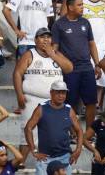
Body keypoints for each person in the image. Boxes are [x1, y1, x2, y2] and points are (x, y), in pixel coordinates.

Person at [12, 28, 72, 160]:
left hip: (53, 102)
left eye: (48, 37)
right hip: (32, 98)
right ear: (35, 40)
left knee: (52, 132)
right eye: (42, 37)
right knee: (28, 131)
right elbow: (17, 73)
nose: (46, 40)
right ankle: (20, 161)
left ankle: (49, 160)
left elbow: (69, 68)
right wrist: (19, 94)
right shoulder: (30, 54)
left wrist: (53, 54)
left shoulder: (56, 53)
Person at [51, 0, 102, 125]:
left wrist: (97, 64)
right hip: (70, 70)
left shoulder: (85, 22)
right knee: (70, 102)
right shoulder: (59, 24)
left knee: (91, 102)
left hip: (87, 67)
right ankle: (73, 132)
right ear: (70, 7)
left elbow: (91, 44)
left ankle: (90, 132)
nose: (82, 7)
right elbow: (54, 48)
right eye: (79, 5)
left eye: (82, 5)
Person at [23, 80, 84, 175]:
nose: (61, 96)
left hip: (64, 156)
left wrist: (78, 149)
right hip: (45, 157)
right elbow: (28, 128)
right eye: (58, 92)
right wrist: (34, 150)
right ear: (51, 93)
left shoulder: (69, 109)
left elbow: (79, 130)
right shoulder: (41, 108)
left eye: (63, 93)